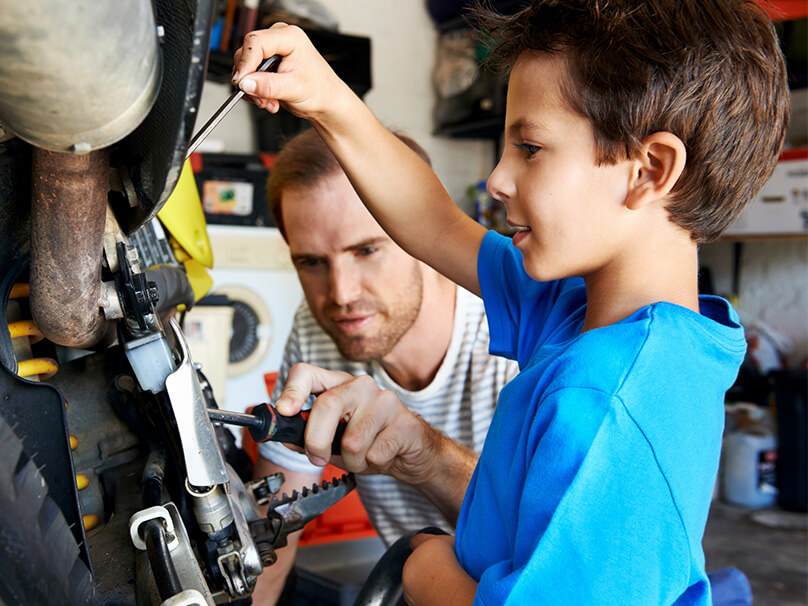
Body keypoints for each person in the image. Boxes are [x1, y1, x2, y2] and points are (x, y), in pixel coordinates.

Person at [233, 0, 789, 603]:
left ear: (648, 170)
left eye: (529, 148)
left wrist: (426, 567)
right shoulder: (574, 314)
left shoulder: (609, 398)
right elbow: (434, 224)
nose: (497, 180)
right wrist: (326, 98)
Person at [251, 128, 517, 603]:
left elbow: (553, 552)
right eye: (311, 262)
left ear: (423, 235)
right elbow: (275, 528)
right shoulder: (318, 329)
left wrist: (428, 457)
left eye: (366, 250)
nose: (341, 294)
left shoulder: (518, 335)